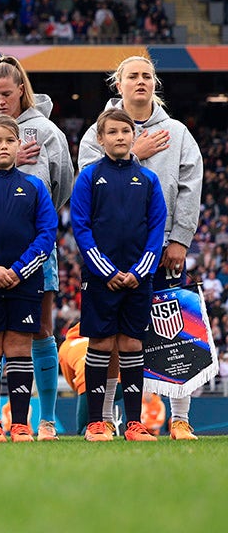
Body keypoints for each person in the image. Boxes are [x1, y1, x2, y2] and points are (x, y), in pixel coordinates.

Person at [77, 55, 204, 440]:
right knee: (117, 340)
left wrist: (181, 237)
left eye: (147, 75)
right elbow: (89, 180)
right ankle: (109, 418)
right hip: (113, 252)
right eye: (132, 76)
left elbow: (190, 185)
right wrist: (137, 153)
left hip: (164, 247)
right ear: (119, 84)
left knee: (176, 330)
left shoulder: (178, 131)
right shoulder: (95, 133)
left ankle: (180, 418)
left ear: (155, 83)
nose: (141, 81)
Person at [0, 56, 72, 441]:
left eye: (6, 93)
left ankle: (46, 419)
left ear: (22, 89)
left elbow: (64, 183)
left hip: (34, 252)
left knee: (40, 330)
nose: (1, 100)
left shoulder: (48, 132)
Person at [72, 109, 166, 442]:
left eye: (125, 131)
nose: (120, 137)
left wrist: (141, 271)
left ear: (134, 135)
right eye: (112, 132)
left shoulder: (149, 180)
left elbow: (157, 228)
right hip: (101, 277)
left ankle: (133, 423)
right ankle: (98, 422)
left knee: (131, 343)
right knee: (99, 343)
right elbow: (81, 227)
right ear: (100, 139)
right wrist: (107, 270)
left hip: (139, 277)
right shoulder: (88, 177)